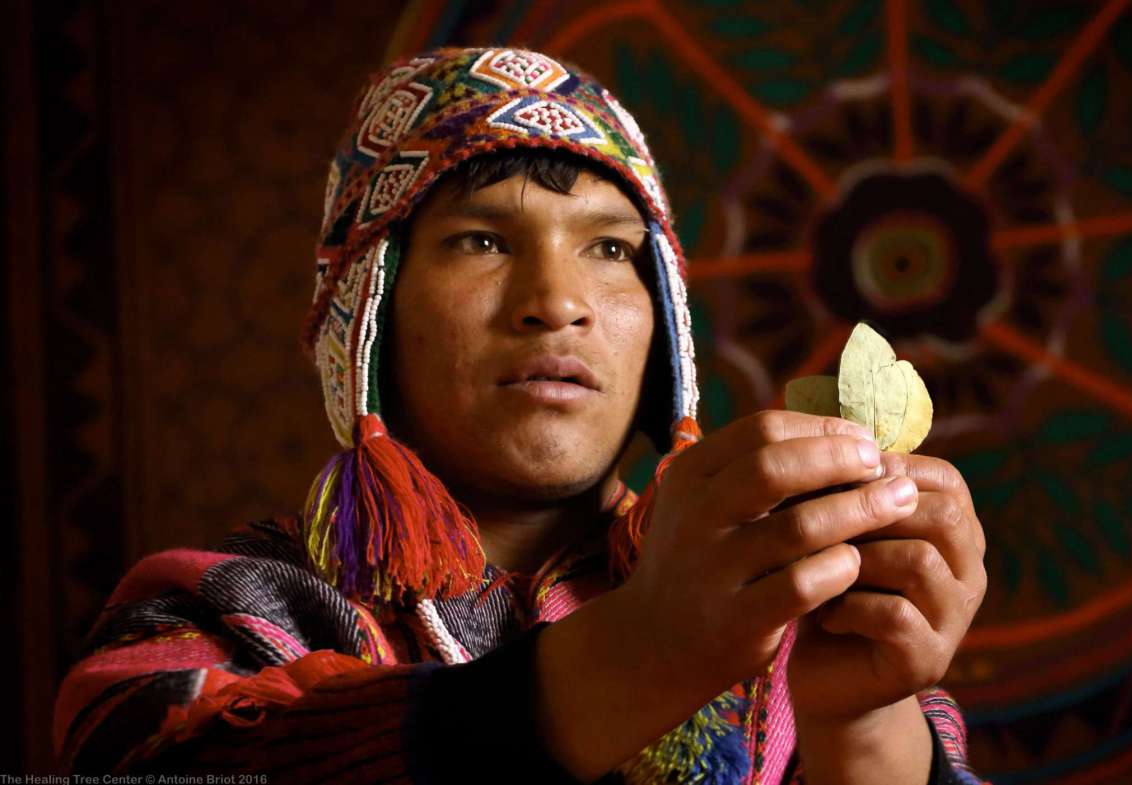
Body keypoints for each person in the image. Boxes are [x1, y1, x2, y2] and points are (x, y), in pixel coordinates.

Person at [52, 47, 988, 784]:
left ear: (665, 328)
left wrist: (862, 725)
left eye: (612, 250)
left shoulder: (796, 613)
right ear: (368, 320)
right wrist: (647, 649)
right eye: (483, 239)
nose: (558, 299)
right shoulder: (217, 617)